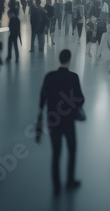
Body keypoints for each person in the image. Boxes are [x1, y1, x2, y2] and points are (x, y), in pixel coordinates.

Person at [39, 50, 85, 195]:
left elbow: (42, 98)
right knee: (71, 151)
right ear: (69, 60)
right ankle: (70, 181)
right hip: (68, 120)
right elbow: (80, 99)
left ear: (59, 60)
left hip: (53, 120)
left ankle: (56, 186)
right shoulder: (73, 77)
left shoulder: (49, 77)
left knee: (56, 154)